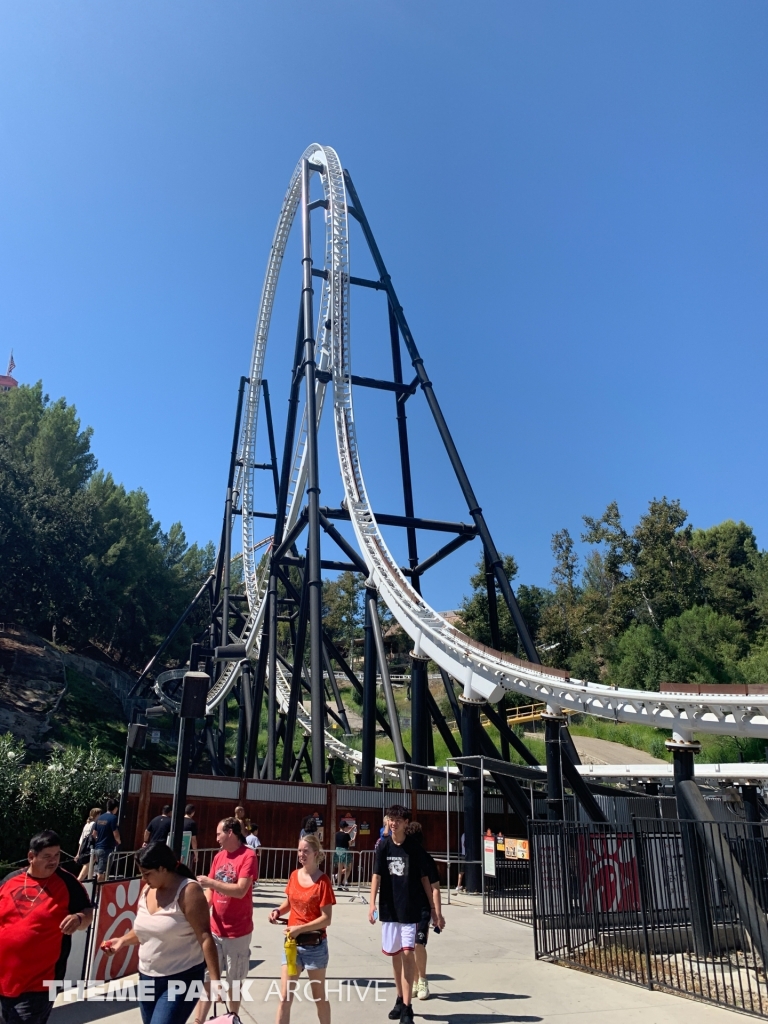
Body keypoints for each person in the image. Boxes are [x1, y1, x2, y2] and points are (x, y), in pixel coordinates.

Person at [101, 843, 220, 1024]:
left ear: (163, 869)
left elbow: (204, 936)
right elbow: (147, 931)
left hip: (182, 978)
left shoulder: (189, 891)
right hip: (147, 977)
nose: (143, 878)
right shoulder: (147, 890)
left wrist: (216, 981)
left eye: (147, 874)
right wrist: (123, 941)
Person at [0, 830, 93, 1024]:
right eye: (47, 856)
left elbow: (88, 913)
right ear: (31, 857)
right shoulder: (9, 881)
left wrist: (77, 918)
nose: (53, 861)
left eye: (57, 855)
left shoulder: (68, 883)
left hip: (40, 985)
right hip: (4, 979)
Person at [369, 806, 436, 1024]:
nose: (393, 823)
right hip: (390, 910)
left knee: (408, 955)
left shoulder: (414, 849)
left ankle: (408, 1007)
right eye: (391, 819)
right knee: (395, 955)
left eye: (398, 819)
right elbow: (376, 876)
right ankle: (399, 998)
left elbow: (426, 879)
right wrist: (371, 904)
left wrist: (434, 911)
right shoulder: (383, 846)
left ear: (406, 823)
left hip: (411, 909)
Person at [194, 818, 259, 1023]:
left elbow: (240, 890)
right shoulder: (218, 856)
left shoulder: (248, 856)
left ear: (230, 832)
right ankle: (198, 1021)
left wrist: (211, 881)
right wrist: (200, 914)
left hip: (237, 932)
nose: (217, 838)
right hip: (215, 930)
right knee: (207, 979)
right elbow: (210, 893)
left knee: (234, 983)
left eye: (219, 834)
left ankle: (233, 1018)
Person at [269, 833, 335, 1024]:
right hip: (292, 946)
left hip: (315, 946)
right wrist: (277, 911)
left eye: (305, 851)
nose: (301, 854)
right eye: (299, 850)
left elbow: (326, 919)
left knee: (318, 997)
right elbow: (289, 903)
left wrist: (300, 928)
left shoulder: (323, 881)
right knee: (284, 997)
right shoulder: (294, 875)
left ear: (316, 853)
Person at [405, 822, 446, 1001]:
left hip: (422, 908)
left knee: (418, 944)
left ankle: (422, 980)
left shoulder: (425, 859)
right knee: (408, 948)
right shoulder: (402, 858)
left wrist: (437, 913)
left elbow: (435, 887)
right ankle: (414, 981)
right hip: (404, 908)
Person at [91, 798, 121, 881]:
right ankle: (98, 891)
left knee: (97, 871)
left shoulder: (100, 818)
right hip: (106, 849)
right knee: (102, 872)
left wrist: (99, 840)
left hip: (98, 848)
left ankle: (95, 889)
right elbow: (115, 833)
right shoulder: (113, 818)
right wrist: (118, 841)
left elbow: (94, 833)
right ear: (115, 808)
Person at [76, 807, 101, 881]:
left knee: (89, 867)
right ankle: (79, 881)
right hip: (90, 848)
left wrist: (78, 853)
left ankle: (89, 881)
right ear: (96, 815)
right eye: (99, 814)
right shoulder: (94, 824)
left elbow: (81, 838)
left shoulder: (87, 825)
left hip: (84, 847)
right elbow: (95, 837)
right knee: (88, 865)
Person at [333, 821, 352, 891]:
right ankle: (344, 882)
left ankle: (338, 885)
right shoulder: (347, 835)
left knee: (339, 869)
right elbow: (350, 844)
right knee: (349, 868)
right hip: (345, 851)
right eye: (346, 827)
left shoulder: (336, 834)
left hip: (338, 851)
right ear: (344, 827)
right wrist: (352, 840)